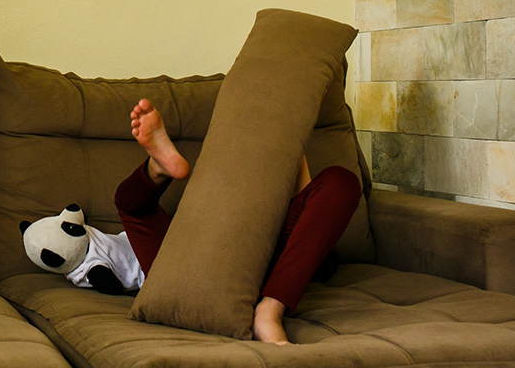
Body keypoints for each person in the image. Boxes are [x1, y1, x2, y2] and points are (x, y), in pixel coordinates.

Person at [121, 99, 362, 345]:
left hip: (257, 263)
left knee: (341, 183)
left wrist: (291, 138)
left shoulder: (297, 244)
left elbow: (315, 202)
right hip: (193, 264)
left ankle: (269, 310)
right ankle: (159, 167)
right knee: (133, 207)